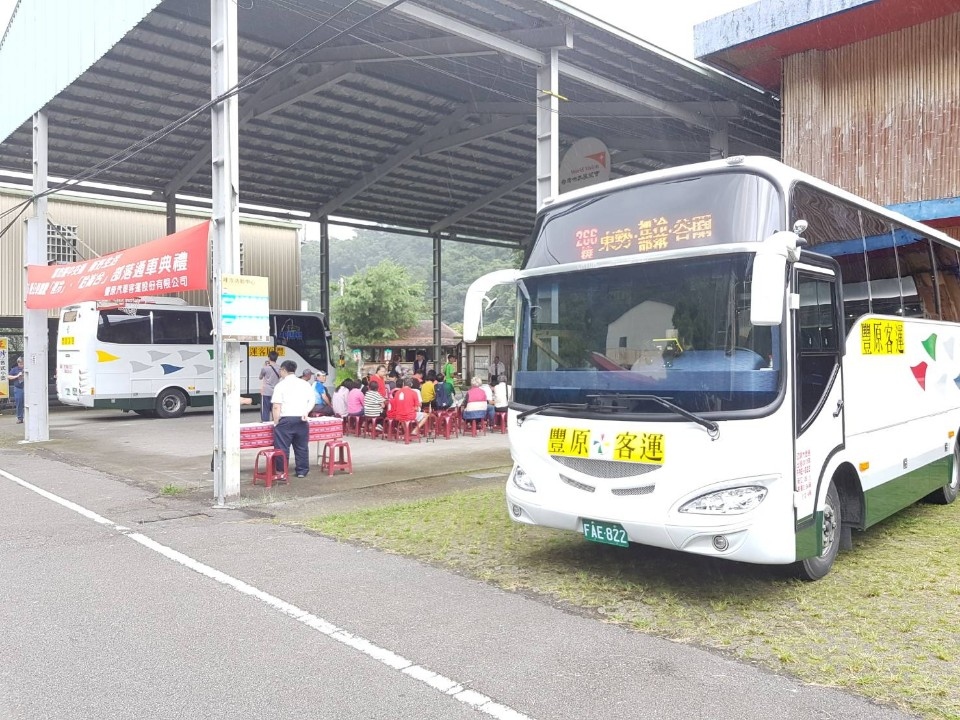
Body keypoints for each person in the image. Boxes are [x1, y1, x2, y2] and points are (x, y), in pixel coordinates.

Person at [270, 360, 316, 479]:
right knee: (301, 446)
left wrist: (276, 422)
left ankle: (282, 472)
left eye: (280, 370)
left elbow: (276, 406)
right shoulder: (305, 384)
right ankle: (302, 471)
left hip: (286, 419)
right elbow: (312, 400)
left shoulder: (280, 385)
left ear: (284, 370)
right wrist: (306, 411)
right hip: (302, 418)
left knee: (282, 448)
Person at [258, 351, 281, 422]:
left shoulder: (265, 368)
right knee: (275, 408)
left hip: (266, 391)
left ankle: (265, 423)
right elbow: (280, 377)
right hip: (276, 391)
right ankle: (275, 422)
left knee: (265, 409)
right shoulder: (280, 368)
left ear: (269, 358)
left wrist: (264, 366)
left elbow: (260, 377)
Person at [8, 356, 25, 423]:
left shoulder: (27, 369)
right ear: (18, 363)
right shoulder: (14, 369)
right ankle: (20, 418)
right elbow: (9, 377)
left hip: (27, 388)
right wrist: (17, 376)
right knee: (19, 403)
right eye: (20, 363)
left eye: (23, 363)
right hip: (18, 388)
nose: (21, 365)